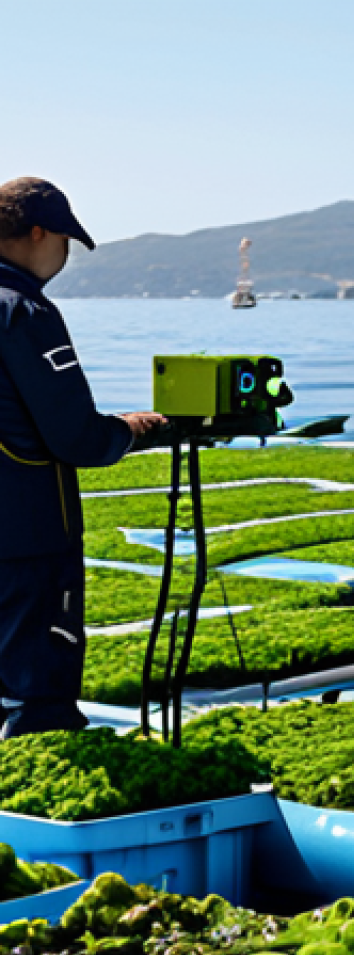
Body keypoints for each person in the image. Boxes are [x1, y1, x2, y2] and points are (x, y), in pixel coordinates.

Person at [0, 177, 165, 739]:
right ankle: (36, 813)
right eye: (65, 241)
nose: (65, 256)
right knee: (37, 701)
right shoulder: (24, 312)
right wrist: (134, 429)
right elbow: (77, 439)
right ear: (37, 233)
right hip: (28, 541)